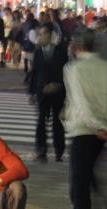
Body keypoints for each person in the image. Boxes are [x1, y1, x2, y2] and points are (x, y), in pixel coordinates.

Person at [62, 29, 107, 209]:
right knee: (89, 173)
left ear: (76, 47)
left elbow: (81, 102)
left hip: (83, 129)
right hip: (103, 131)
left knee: (79, 180)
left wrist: (95, 125)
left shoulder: (74, 68)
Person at [29, 22, 68, 162]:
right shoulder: (38, 52)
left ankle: (59, 151)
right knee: (41, 122)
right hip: (42, 92)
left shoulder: (61, 51)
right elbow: (34, 73)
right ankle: (41, 149)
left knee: (57, 123)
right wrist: (32, 92)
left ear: (51, 35)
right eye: (40, 34)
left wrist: (57, 84)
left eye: (44, 34)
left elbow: (66, 72)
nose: (41, 37)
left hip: (58, 92)